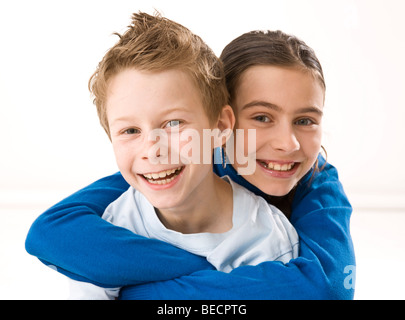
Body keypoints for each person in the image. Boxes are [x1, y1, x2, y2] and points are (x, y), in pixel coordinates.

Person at [25, 14, 355, 299]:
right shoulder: (178, 164)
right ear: (226, 123)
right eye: (262, 117)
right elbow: (51, 232)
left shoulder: (308, 193)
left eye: (305, 120)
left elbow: (325, 290)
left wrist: (140, 291)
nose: (287, 143)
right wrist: (198, 268)